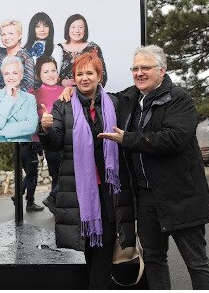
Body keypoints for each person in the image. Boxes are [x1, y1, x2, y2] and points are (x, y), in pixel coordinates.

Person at [97, 44, 209, 290]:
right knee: (153, 259)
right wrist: (69, 93)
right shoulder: (131, 97)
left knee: (196, 262)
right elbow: (101, 99)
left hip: (181, 195)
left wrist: (128, 138)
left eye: (145, 68)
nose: (139, 73)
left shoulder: (180, 99)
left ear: (162, 70)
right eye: (135, 68)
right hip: (147, 197)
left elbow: (173, 139)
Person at [38, 52, 136, 289]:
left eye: (89, 73)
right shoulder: (63, 104)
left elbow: (140, 90)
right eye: (79, 74)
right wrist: (45, 129)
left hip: (110, 188)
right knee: (92, 247)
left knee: (104, 244)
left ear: (99, 76)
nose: (84, 78)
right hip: (80, 189)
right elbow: (55, 142)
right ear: (73, 78)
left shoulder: (114, 103)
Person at [33, 55, 64, 213]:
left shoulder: (66, 91)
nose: (51, 74)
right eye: (46, 71)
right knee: (58, 174)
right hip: (48, 141)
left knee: (61, 174)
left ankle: (55, 204)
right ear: (38, 75)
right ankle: (53, 198)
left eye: (54, 70)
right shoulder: (35, 93)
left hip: (66, 141)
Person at [0, 56, 38, 142]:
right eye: (6, 74)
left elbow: (32, 127)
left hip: (24, 146)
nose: (10, 77)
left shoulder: (30, 98)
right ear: (2, 76)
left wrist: (1, 131)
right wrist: (8, 97)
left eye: (15, 73)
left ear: (21, 75)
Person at [57, 13, 107, 87]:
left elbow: (102, 76)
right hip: (61, 94)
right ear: (68, 29)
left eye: (80, 27)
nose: (77, 30)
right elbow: (48, 74)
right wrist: (62, 82)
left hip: (87, 94)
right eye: (73, 27)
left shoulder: (93, 48)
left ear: (85, 30)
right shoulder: (58, 49)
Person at [0, 20, 35, 92]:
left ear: (19, 35)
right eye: (3, 34)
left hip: (18, 98)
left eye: (11, 33)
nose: (6, 37)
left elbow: (29, 85)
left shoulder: (26, 57)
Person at [23, 12, 63, 86]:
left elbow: (54, 76)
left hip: (46, 90)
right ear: (32, 29)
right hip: (25, 91)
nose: (42, 29)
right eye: (37, 26)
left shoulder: (56, 49)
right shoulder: (24, 49)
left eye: (46, 26)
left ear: (50, 28)